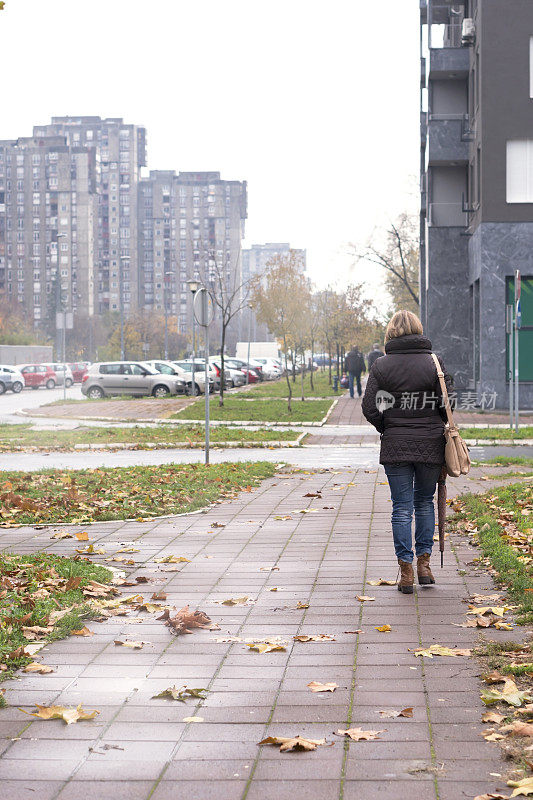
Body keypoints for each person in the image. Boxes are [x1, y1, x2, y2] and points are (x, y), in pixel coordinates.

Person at [361, 310, 452, 594]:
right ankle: (425, 565)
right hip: (430, 443)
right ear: (418, 329)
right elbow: (447, 404)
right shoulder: (434, 362)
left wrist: (387, 426)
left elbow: (369, 407)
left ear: (391, 332)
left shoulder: (381, 366)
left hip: (395, 444)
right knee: (424, 503)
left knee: (401, 507)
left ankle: (406, 571)